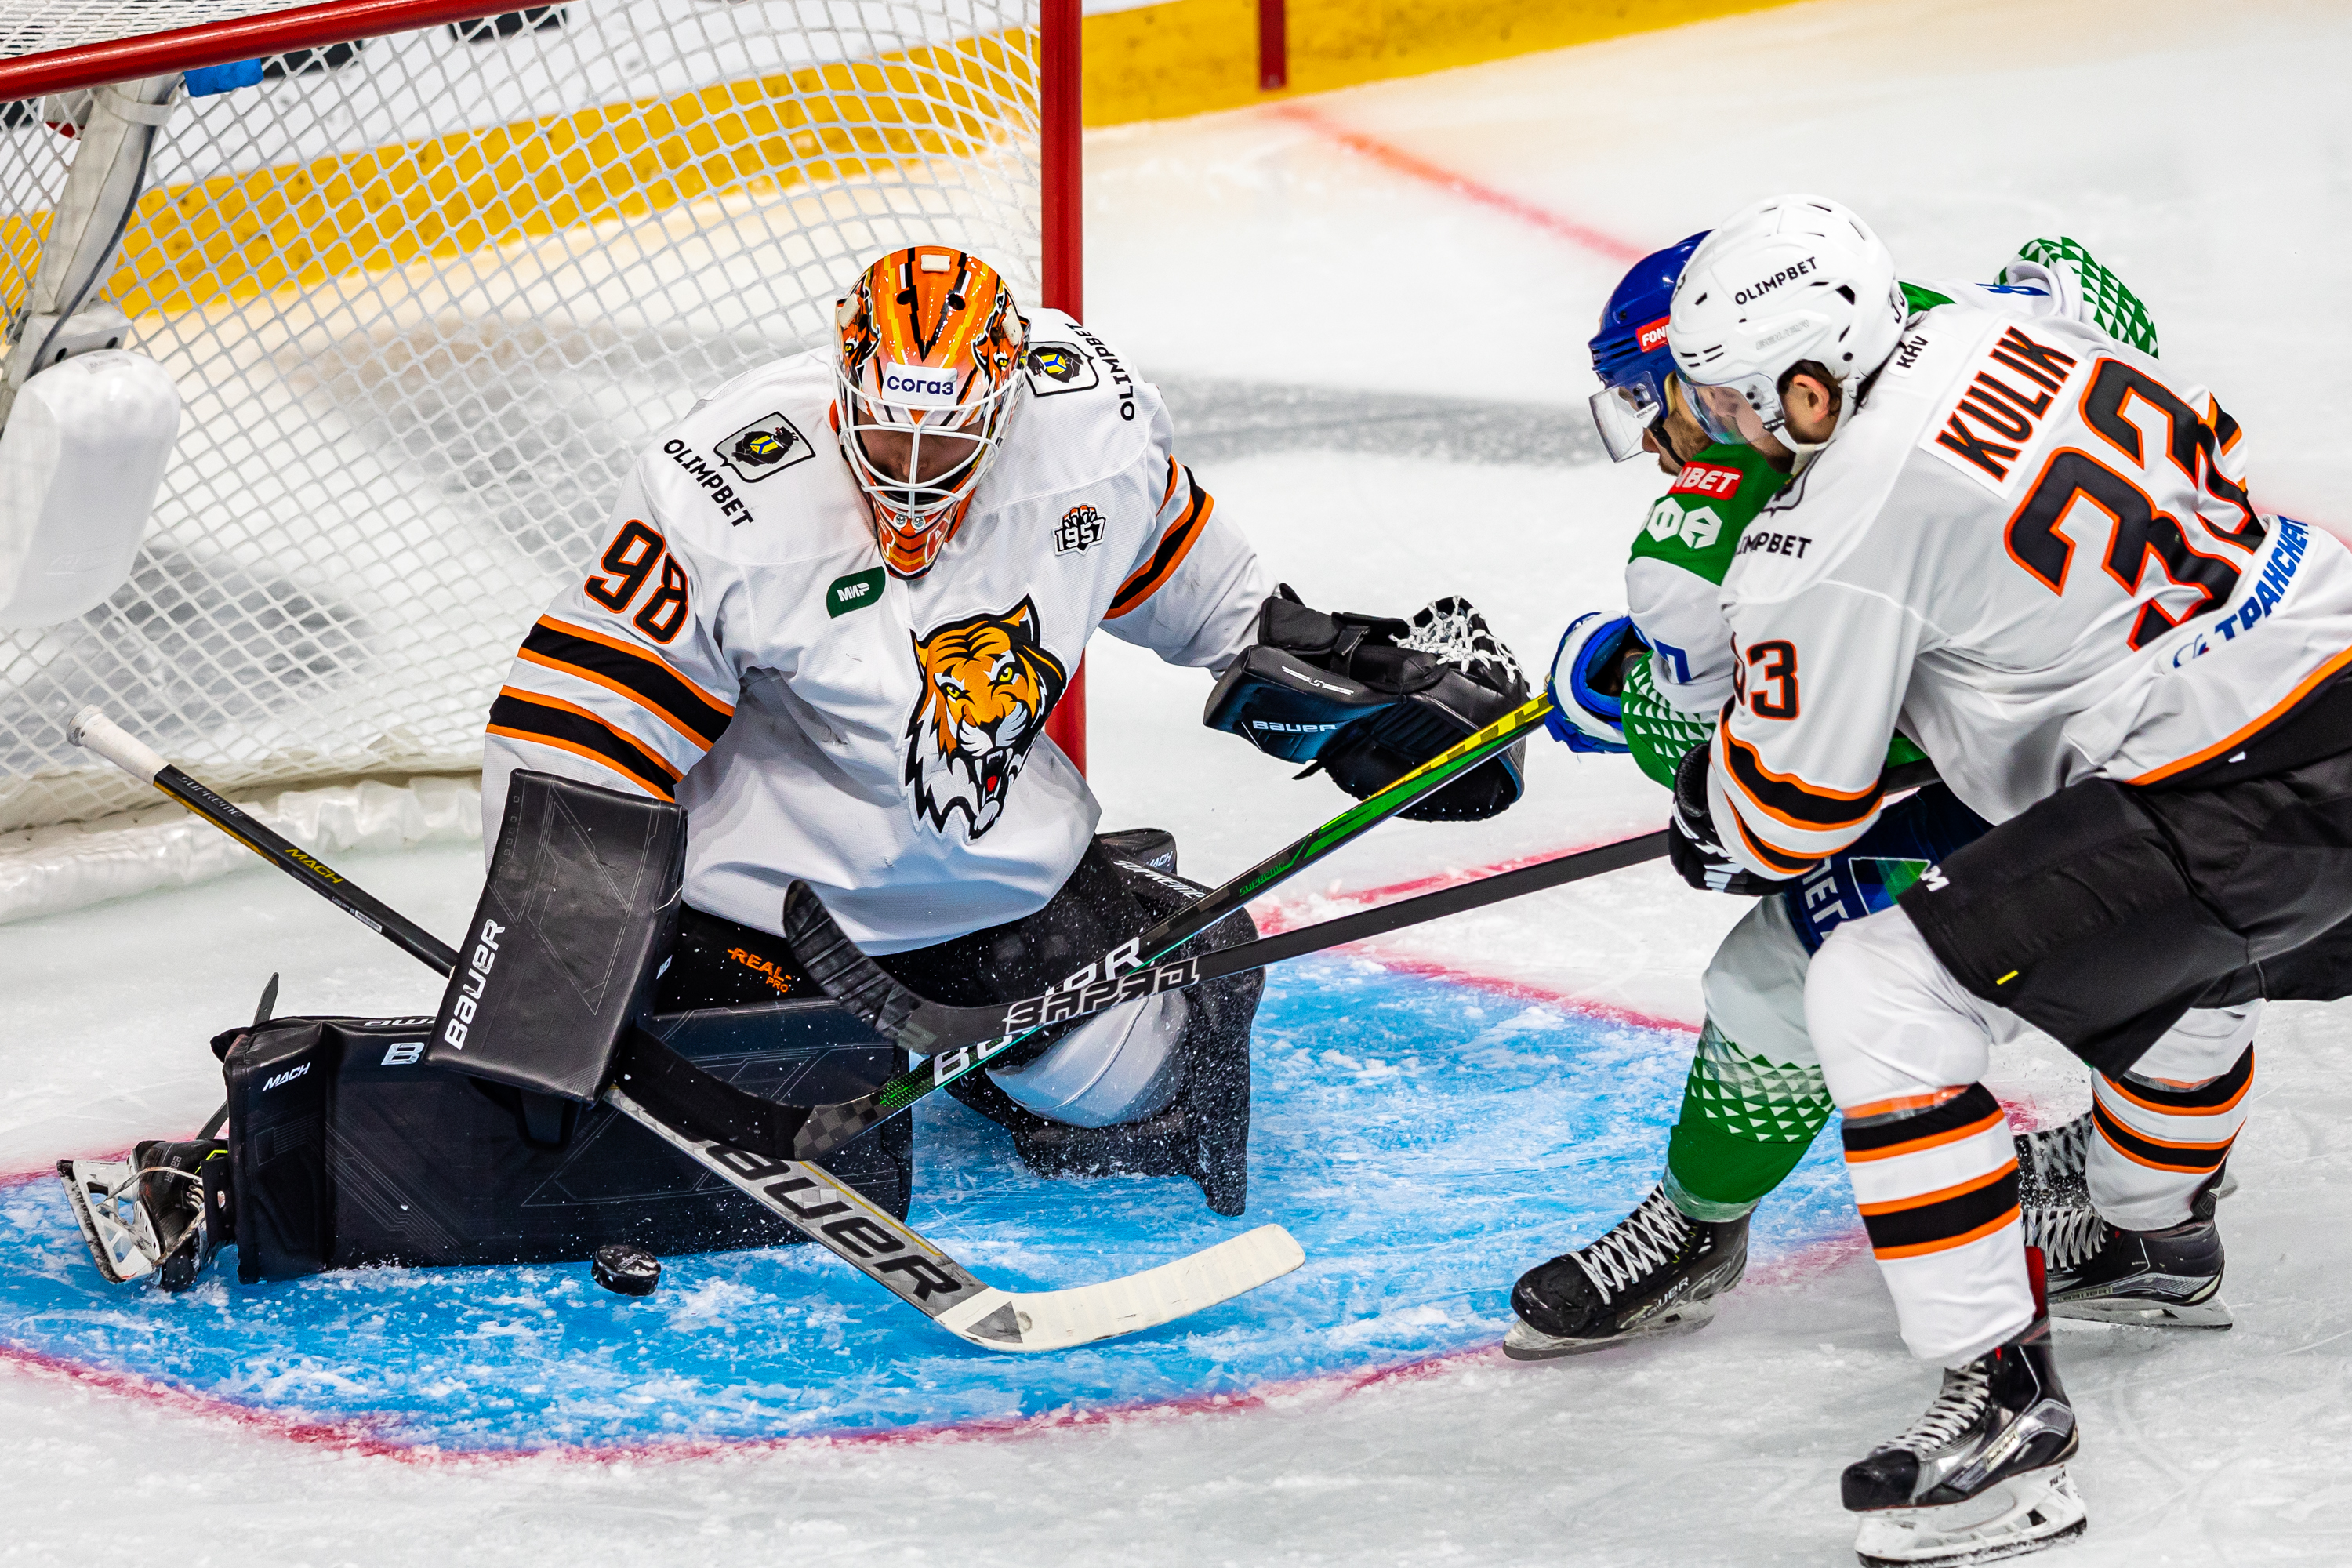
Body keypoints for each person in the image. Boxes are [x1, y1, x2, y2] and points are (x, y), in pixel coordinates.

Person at [1663, 193, 2352, 1564]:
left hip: (2236, 796)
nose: (1731, 435)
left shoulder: (1840, 517)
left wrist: (1706, 805)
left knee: (1873, 987)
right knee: (2153, 935)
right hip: (2327, 666)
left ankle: (2004, 1423)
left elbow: (1787, 816)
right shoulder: (2008, 329)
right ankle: (2151, 1235)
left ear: (1811, 384)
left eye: (1743, 405)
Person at [1509, 233, 2245, 1360]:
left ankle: (1711, 1230)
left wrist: (1630, 700)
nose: (1656, 440)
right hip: (2251, 681)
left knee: (1784, 978)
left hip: (2087, 768)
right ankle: (2153, 1207)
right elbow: (2094, 292)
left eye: (1661, 401)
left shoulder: (1703, 552)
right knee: (2220, 939)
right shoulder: (1981, 317)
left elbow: (1761, 787)